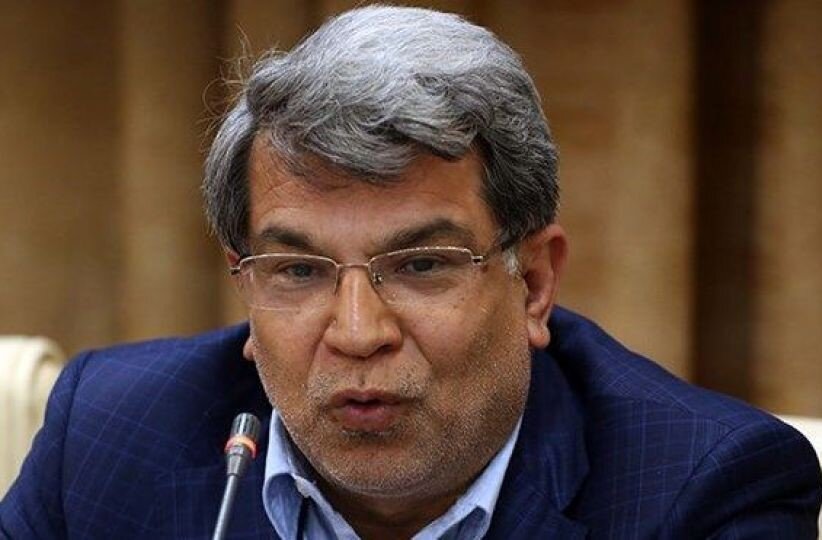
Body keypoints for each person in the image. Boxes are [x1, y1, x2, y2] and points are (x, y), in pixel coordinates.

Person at [1, 5, 820, 539]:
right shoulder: (107, 435)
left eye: (422, 264)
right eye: (298, 271)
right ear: (244, 282)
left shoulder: (702, 493)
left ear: (534, 284)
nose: (358, 333)